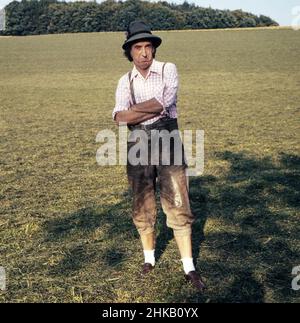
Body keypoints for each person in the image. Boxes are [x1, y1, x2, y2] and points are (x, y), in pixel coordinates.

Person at [112, 21, 205, 291]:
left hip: (168, 140)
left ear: (153, 49)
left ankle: (189, 266)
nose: (144, 53)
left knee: (178, 200)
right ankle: (149, 260)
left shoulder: (168, 69)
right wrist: (142, 111)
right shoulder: (123, 80)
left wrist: (135, 112)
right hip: (138, 143)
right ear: (129, 52)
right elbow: (119, 117)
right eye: (138, 47)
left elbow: (162, 103)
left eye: (148, 47)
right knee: (142, 201)